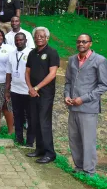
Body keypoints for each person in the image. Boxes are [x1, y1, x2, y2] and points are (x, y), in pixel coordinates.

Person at [64, 34, 107, 176]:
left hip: (88, 108)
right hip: (73, 107)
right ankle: (78, 167)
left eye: (84, 41)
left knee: (88, 141)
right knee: (74, 139)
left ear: (90, 43)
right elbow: (68, 82)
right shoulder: (72, 60)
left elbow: (103, 86)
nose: (81, 44)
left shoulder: (100, 60)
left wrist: (83, 99)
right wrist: (66, 96)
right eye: (78, 41)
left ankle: (89, 171)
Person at [25, 27, 59, 164]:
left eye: (42, 36)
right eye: (37, 36)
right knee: (35, 121)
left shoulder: (52, 52)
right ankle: (39, 149)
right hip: (33, 93)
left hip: (45, 94)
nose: (39, 38)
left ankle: (50, 153)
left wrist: (37, 87)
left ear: (47, 38)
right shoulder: (32, 53)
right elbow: (27, 72)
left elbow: (52, 74)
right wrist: (30, 88)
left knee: (44, 122)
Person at [5, 32, 34, 146]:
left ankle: (30, 141)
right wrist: (7, 90)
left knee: (30, 116)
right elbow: (8, 73)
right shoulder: (11, 54)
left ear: (25, 40)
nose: (19, 42)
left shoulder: (31, 53)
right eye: (17, 40)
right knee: (17, 115)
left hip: (28, 90)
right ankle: (19, 138)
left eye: (21, 40)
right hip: (15, 90)